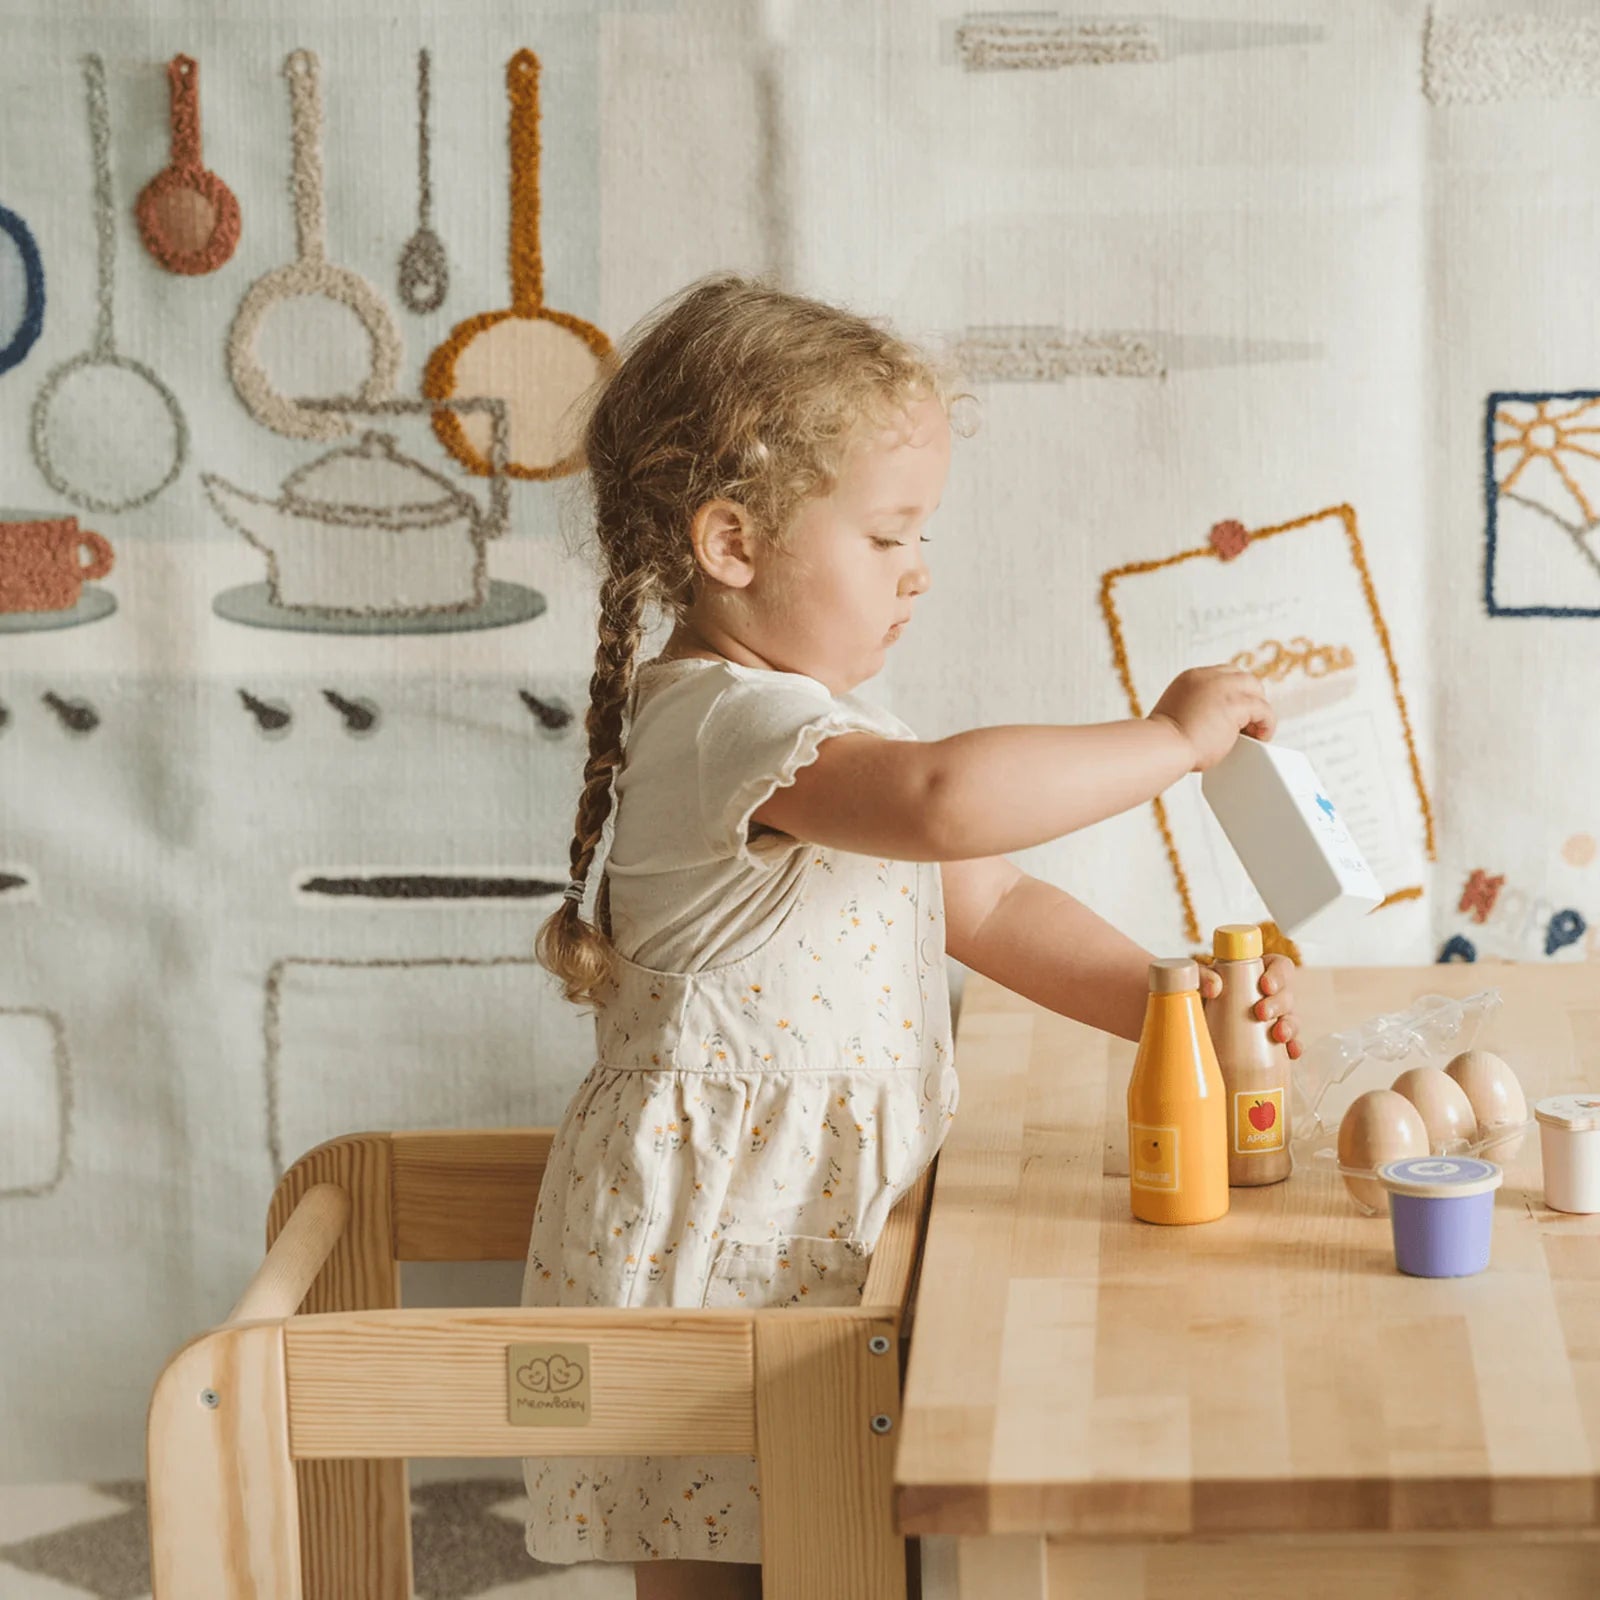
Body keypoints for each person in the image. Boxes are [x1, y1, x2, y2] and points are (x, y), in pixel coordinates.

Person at [522, 272, 1303, 1600]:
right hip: (728, 1261)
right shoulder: (733, 726)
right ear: (732, 543)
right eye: (889, 538)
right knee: (737, 1571)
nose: (919, 574)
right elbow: (951, 805)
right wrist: (1168, 743)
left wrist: (1173, 1006)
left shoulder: (821, 731)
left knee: (844, 1557)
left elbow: (992, 906)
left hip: (820, 1237)